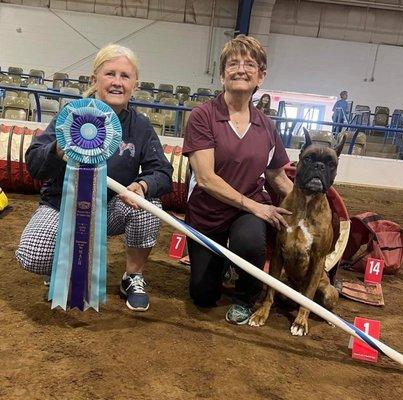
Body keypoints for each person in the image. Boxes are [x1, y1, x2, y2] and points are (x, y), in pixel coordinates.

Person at [16, 44, 173, 312]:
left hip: (111, 209)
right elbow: (33, 163)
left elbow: (163, 172)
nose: (117, 82)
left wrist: (143, 185)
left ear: (134, 85)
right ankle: (60, 270)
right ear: (94, 80)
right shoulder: (70, 116)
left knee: (150, 206)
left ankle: (132, 277)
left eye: (125, 76)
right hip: (60, 207)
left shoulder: (141, 126)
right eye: (110, 74)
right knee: (32, 254)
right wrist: (57, 149)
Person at [182, 35, 293, 325]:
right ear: (222, 75)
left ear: (261, 76)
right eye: (233, 63)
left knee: (249, 242)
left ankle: (245, 297)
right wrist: (255, 207)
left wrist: (308, 210)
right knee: (203, 296)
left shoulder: (267, 126)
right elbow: (205, 179)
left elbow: (277, 175)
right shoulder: (202, 117)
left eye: (250, 64)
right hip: (208, 211)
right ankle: (222, 266)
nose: (241, 69)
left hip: (248, 210)